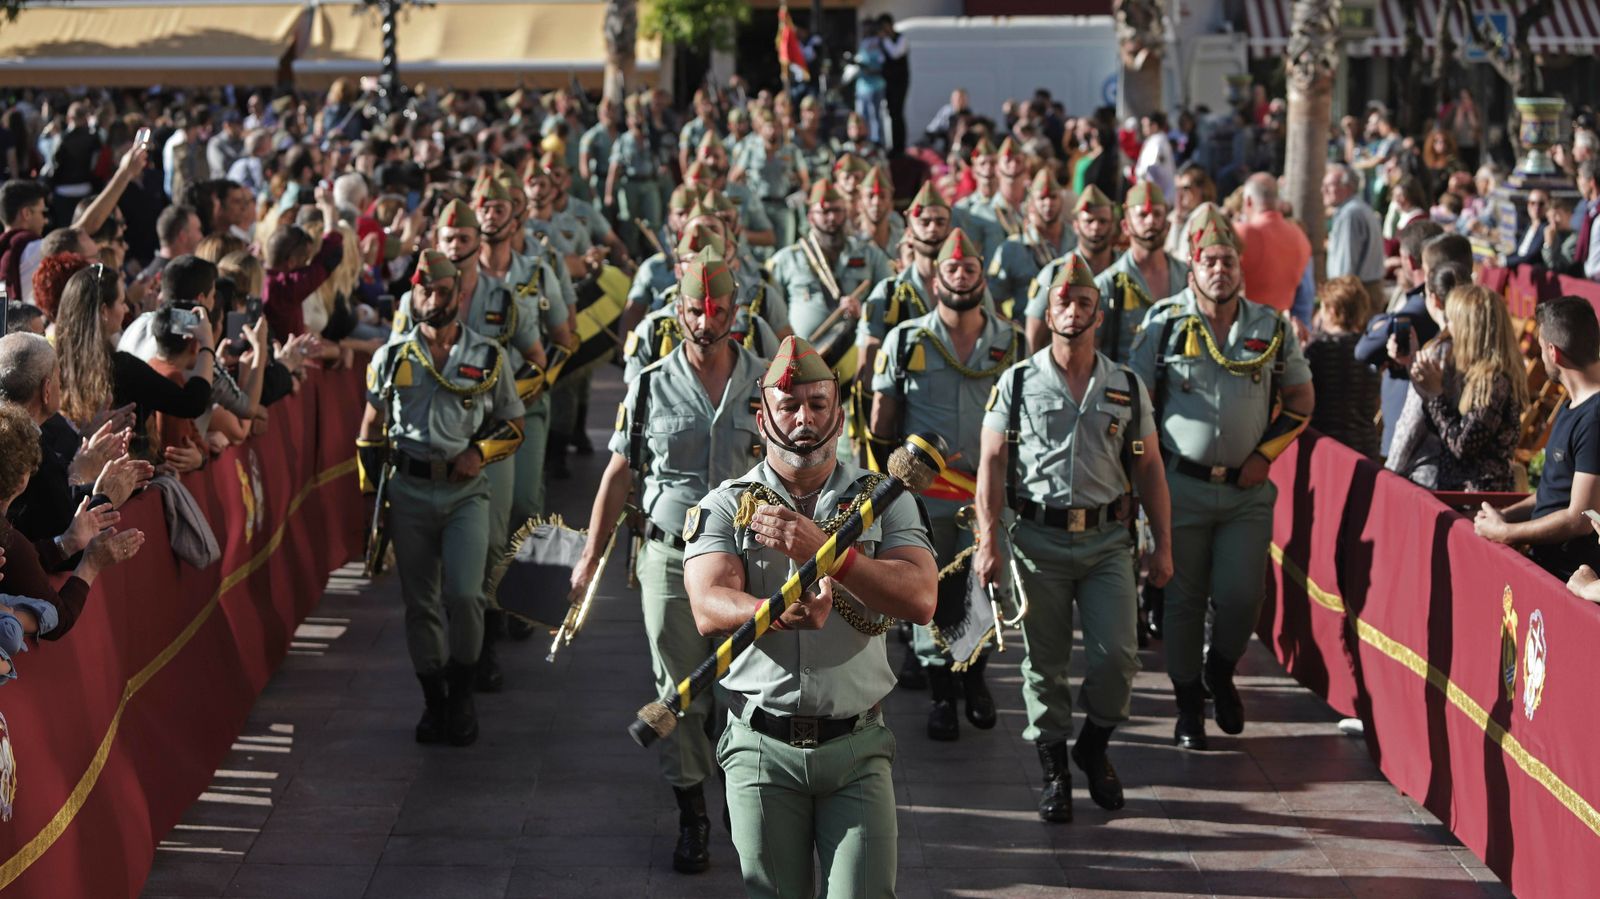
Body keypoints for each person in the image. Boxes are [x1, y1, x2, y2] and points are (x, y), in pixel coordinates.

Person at [682, 335, 937, 898]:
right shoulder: (728, 502)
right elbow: (707, 604)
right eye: (789, 404)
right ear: (763, 414)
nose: (804, 418)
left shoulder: (885, 497)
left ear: (840, 413)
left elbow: (920, 597)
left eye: (817, 404)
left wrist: (832, 552)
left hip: (857, 747)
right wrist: (771, 612)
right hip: (758, 747)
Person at [571, 251, 766, 875]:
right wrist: (587, 559)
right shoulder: (650, 383)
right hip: (670, 555)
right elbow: (618, 476)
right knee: (678, 686)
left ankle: (743, 787)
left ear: (736, 313)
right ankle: (693, 814)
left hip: (747, 557)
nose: (705, 321)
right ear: (676, 312)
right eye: (693, 309)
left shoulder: (768, 383)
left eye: (716, 310)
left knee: (746, 682)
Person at [975, 254, 1171, 822]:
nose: (1073, 310)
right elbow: (991, 461)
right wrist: (989, 540)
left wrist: (1164, 544)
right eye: (1063, 300)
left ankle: (1094, 746)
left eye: (1084, 302)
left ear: (1099, 314)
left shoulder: (1126, 385)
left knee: (1118, 658)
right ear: (1048, 308)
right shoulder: (1015, 382)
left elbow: (1151, 468)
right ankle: (1055, 769)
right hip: (1038, 542)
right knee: (1045, 664)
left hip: (1108, 540)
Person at [1129, 204, 1314, 750]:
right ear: (1192, 268)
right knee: (1182, 601)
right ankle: (1189, 707)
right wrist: (1144, 474)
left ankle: (1221, 669)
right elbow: (1133, 405)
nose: (1219, 269)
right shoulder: (1163, 324)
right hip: (1179, 487)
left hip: (1245, 490)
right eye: (1209, 261)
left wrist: (1265, 454)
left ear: (1240, 267)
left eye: (1228, 260)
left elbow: (1302, 399)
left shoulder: (1272, 327)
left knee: (1240, 596)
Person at [356, 250, 526, 747]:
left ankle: (463, 688)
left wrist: (479, 450)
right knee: (420, 603)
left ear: (458, 295)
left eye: (442, 291)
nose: (432, 300)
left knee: (466, 595)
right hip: (408, 491)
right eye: (423, 291)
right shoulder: (390, 357)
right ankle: (435, 698)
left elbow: (513, 424)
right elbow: (370, 426)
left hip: (465, 493)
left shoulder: (487, 355)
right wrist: (372, 502)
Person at [869, 228, 1022, 739]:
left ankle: (973, 677)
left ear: (982, 275)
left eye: (970, 268)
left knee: (978, 593)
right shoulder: (907, 339)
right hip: (925, 496)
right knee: (929, 596)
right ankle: (940, 696)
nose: (960, 276)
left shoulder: (1010, 341)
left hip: (984, 493)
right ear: (936, 279)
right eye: (951, 269)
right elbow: (883, 422)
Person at [0, 402, 144, 645]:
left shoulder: (14, 545)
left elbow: (19, 568)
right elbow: (58, 619)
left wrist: (65, 543)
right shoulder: (9, 541)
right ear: (22, 481)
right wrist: (91, 564)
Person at [1477, 297, 1600, 581]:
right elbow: (1554, 493)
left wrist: (1506, 533)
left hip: (1567, 577)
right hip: (1548, 567)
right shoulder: (1574, 406)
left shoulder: (1593, 419)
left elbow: (1579, 518)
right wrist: (1505, 515)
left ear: (1553, 352)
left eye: (1541, 347)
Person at [1395, 284, 1525, 492]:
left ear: (1469, 329)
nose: (1448, 327)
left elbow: (1462, 445)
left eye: (1452, 320)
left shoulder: (1493, 382)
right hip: (1457, 492)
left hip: (1480, 501)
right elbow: (1440, 427)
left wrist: (1436, 394)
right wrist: (1418, 373)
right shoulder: (1471, 372)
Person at [765, 181, 892, 358]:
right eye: (825, 212)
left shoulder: (871, 255)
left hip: (856, 354)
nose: (832, 218)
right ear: (810, 217)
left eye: (837, 211)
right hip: (805, 360)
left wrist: (863, 310)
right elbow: (770, 314)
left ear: (846, 213)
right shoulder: (786, 259)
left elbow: (891, 305)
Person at [1355, 220, 1445, 457]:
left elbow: (1365, 349)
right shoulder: (1420, 302)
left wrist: (1380, 323)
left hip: (1413, 434)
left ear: (1410, 261)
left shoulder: (1421, 307)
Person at [1093, 180, 1190, 363]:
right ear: (1125, 227)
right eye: (1142, 215)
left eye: (1157, 214)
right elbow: (1092, 349)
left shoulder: (1187, 277)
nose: (1151, 221)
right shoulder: (1108, 284)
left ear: (1168, 225)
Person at [1023, 185, 1118, 351]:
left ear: (1113, 225)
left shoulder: (1127, 271)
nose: (1096, 227)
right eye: (1089, 221)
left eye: (1103, 221)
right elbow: (1033, 339)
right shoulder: (1054, 273)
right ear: (1075, 226)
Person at [1305, 276, 1381, 458]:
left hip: (1327, 448)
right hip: (1365, 447)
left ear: (1332, 310)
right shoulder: (1370, 348)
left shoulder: (1318, 348)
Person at [988, 170, 1075, 314]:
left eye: (1053, 197)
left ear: (1062, 200)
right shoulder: (1012, 248)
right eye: (1042, 198)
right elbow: (994, 298)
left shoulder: (1077, 240)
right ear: (1031, 205)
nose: (1048, 203)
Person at [1234, 173, 1311, 317]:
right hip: (1282, 325)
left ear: (1248, 202)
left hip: (1247, 324)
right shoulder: (1299, 235)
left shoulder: (1242, 232)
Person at [1323, 163, 1385, 311]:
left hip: (1355, 296)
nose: (1323, 190)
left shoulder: (1350, 214)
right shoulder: (1357, 209)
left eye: (1329, 185)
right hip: (1364, 291)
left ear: (1347, 187)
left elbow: (1345, 268)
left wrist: (1336, 302)